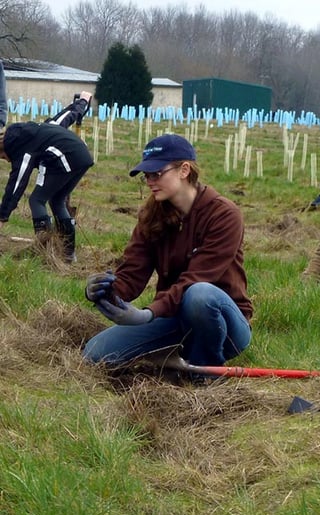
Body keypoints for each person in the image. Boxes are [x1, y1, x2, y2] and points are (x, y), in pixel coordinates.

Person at [83, 133, 253, 378]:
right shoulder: (152, 215)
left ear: (184, 170)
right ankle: (176, 355)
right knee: (95, 354)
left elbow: (195, 279)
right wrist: (106, 291)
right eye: (146, 176)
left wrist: (148, 313)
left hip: (225, 323)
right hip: (174, 316)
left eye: (157, 173)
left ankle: (204, 373)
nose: (150, 181)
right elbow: (132, 273)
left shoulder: (224, 215)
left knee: (199, 294)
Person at [0, 91, 94, 262]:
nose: (6, 160)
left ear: (4, 149)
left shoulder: (21, 149)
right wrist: (83, 102)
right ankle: (68, 255)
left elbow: (17, 183)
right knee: (57, 200)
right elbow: (67, 116)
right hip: (83, 157)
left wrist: (3, 215)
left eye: (3, 157)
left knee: (36, 200)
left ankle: (46, 252)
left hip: (64, 159)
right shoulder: (44, 127)